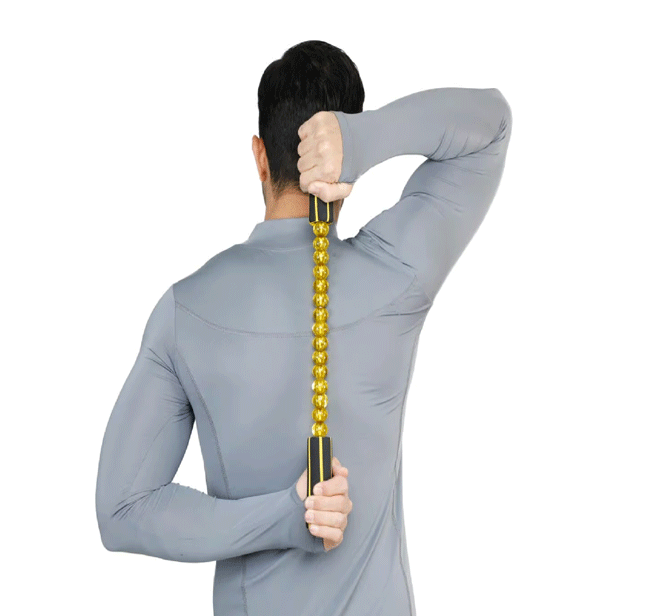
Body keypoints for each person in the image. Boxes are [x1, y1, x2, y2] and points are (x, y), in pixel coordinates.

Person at [95, 39, 512, 616]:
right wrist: (362, 140)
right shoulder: (396, 274)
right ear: (344, 167)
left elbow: (122, 510)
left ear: (259, 157)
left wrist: (282, 519)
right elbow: (490, 125)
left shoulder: (184, 310)